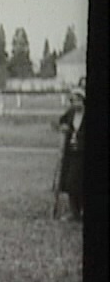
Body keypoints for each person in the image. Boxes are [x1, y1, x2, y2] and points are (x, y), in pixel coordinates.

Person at [58, 87, 85, 221]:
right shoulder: (70, 113)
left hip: (83, 153)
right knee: (69, 182)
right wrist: (63, 127)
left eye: (79, 100)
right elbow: (61, 121)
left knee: (81, 182)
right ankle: (74, 212)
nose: (76, 103)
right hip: (71, 153)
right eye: (73, 100)